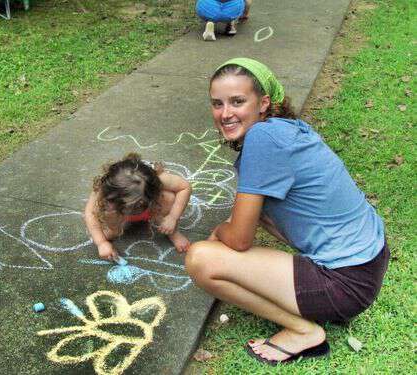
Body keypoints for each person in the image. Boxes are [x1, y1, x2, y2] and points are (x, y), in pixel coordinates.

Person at [185, 57, 389, 365]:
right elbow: (246, 219)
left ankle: (303, 331)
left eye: (237, 101)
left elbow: (239, 239)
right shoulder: (285, 129)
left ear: (263, 102)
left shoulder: (262, 138)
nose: (225, 114)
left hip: (346, 283)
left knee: (200, 258)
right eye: (217, 104)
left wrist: (219, 239)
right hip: (368, 262)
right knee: (231, 233)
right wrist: (225, 234)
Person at [84, 153, 192, 261]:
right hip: (119, 216)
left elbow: (184, 187)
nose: (112, 202)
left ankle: (170, 231)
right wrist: (101, 243)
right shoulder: (106, 188)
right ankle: (114, 229)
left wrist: (173, 217)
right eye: (113, 200)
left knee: (168, 198)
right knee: (104, 230)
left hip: (151, 209)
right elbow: (90, 214)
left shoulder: (158, 179)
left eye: (129, 204)